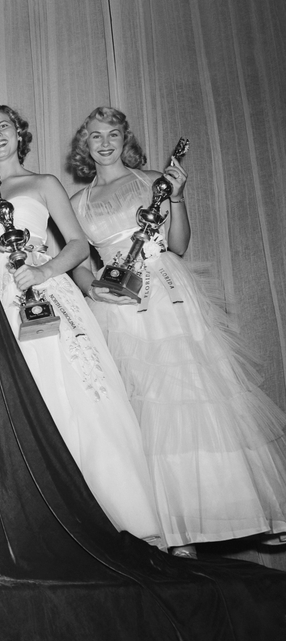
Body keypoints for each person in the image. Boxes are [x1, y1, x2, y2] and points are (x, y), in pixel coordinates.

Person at [68, 106, 286, 557]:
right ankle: (169, 529)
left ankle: (231, 512)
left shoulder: (154, 181)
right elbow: (78, 266)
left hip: (167, 295)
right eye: (94, 136)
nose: (104, 142)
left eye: (112, 134)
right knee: (141, 407)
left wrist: (179, 197)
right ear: (83, 146)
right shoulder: (77, 204)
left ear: (125, 138)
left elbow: (180, 244)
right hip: (119, 305)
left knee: (196, 396)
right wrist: (95, 293)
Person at [0, 102, 162, 545]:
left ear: (19, 133)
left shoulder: (43, 184)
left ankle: (111, 519)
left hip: (43, 288)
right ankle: (30, 524)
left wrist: (42, 270)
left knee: (70, 391)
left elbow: (77, 246)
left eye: (4, 127)